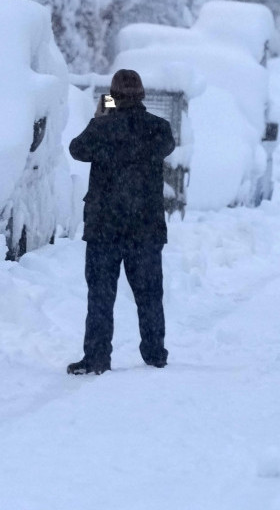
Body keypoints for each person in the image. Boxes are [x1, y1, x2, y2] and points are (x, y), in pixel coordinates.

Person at [66, 69, 176, 375]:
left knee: (101, 296)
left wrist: (101, 116)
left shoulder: (103, 128)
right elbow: (166, 147)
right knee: (150, 295)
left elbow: (77, 150)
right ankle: (155, 354)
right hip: (145, 229)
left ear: (112, 95)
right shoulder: (158, 129)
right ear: (142, 94)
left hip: (105, 229)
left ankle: (97, 357)